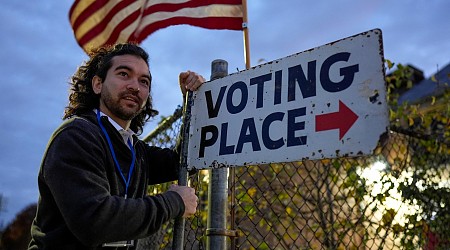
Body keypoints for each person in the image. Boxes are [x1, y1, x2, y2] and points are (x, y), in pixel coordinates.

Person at [29, 43, 204, 249]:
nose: (135, 86)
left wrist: (194, 103)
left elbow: (184, 161)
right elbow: (95, 221)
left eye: (144, 81)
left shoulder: (134, 149)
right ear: (97, 84)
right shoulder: (75, 136)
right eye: (123, 74)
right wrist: (174, 202)